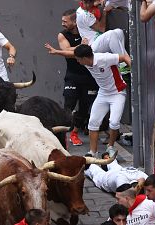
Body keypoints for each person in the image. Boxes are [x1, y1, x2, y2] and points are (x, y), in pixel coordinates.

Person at [44, 9, 98, 146]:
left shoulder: (86, 31)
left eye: (65, 21)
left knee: (85, 107)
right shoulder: (62, 35)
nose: (62, 24)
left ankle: (74, 133)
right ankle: (62, 136)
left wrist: (76, 49)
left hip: (89, 76)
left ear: (75, 22)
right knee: (69, 104)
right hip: (72, 76)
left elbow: (91, 49)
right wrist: (82, 47)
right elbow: (67, 52)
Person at [73, 44, 130, 157]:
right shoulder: (85, 60)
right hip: (103, 93)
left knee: (114, 122)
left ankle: (110, 147)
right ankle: (93, 152)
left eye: (78, 59)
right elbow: (71, 54)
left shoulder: (104, 58)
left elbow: (124, 57)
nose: (78, 62)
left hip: (117, 92)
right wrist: (56, 51)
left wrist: (134, 72)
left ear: (84, 58)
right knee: (93, 122)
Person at [76, 0, 130, 74]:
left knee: (118, 32)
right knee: (111, 34)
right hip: (92, 46)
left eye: (91, 2)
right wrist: (105, 11)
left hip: (98, 41)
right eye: (87, 2)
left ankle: (125, 63)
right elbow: (102, 29)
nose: (89, 4)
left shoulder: (86, 9)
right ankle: (123, 65)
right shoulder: (84, 14)